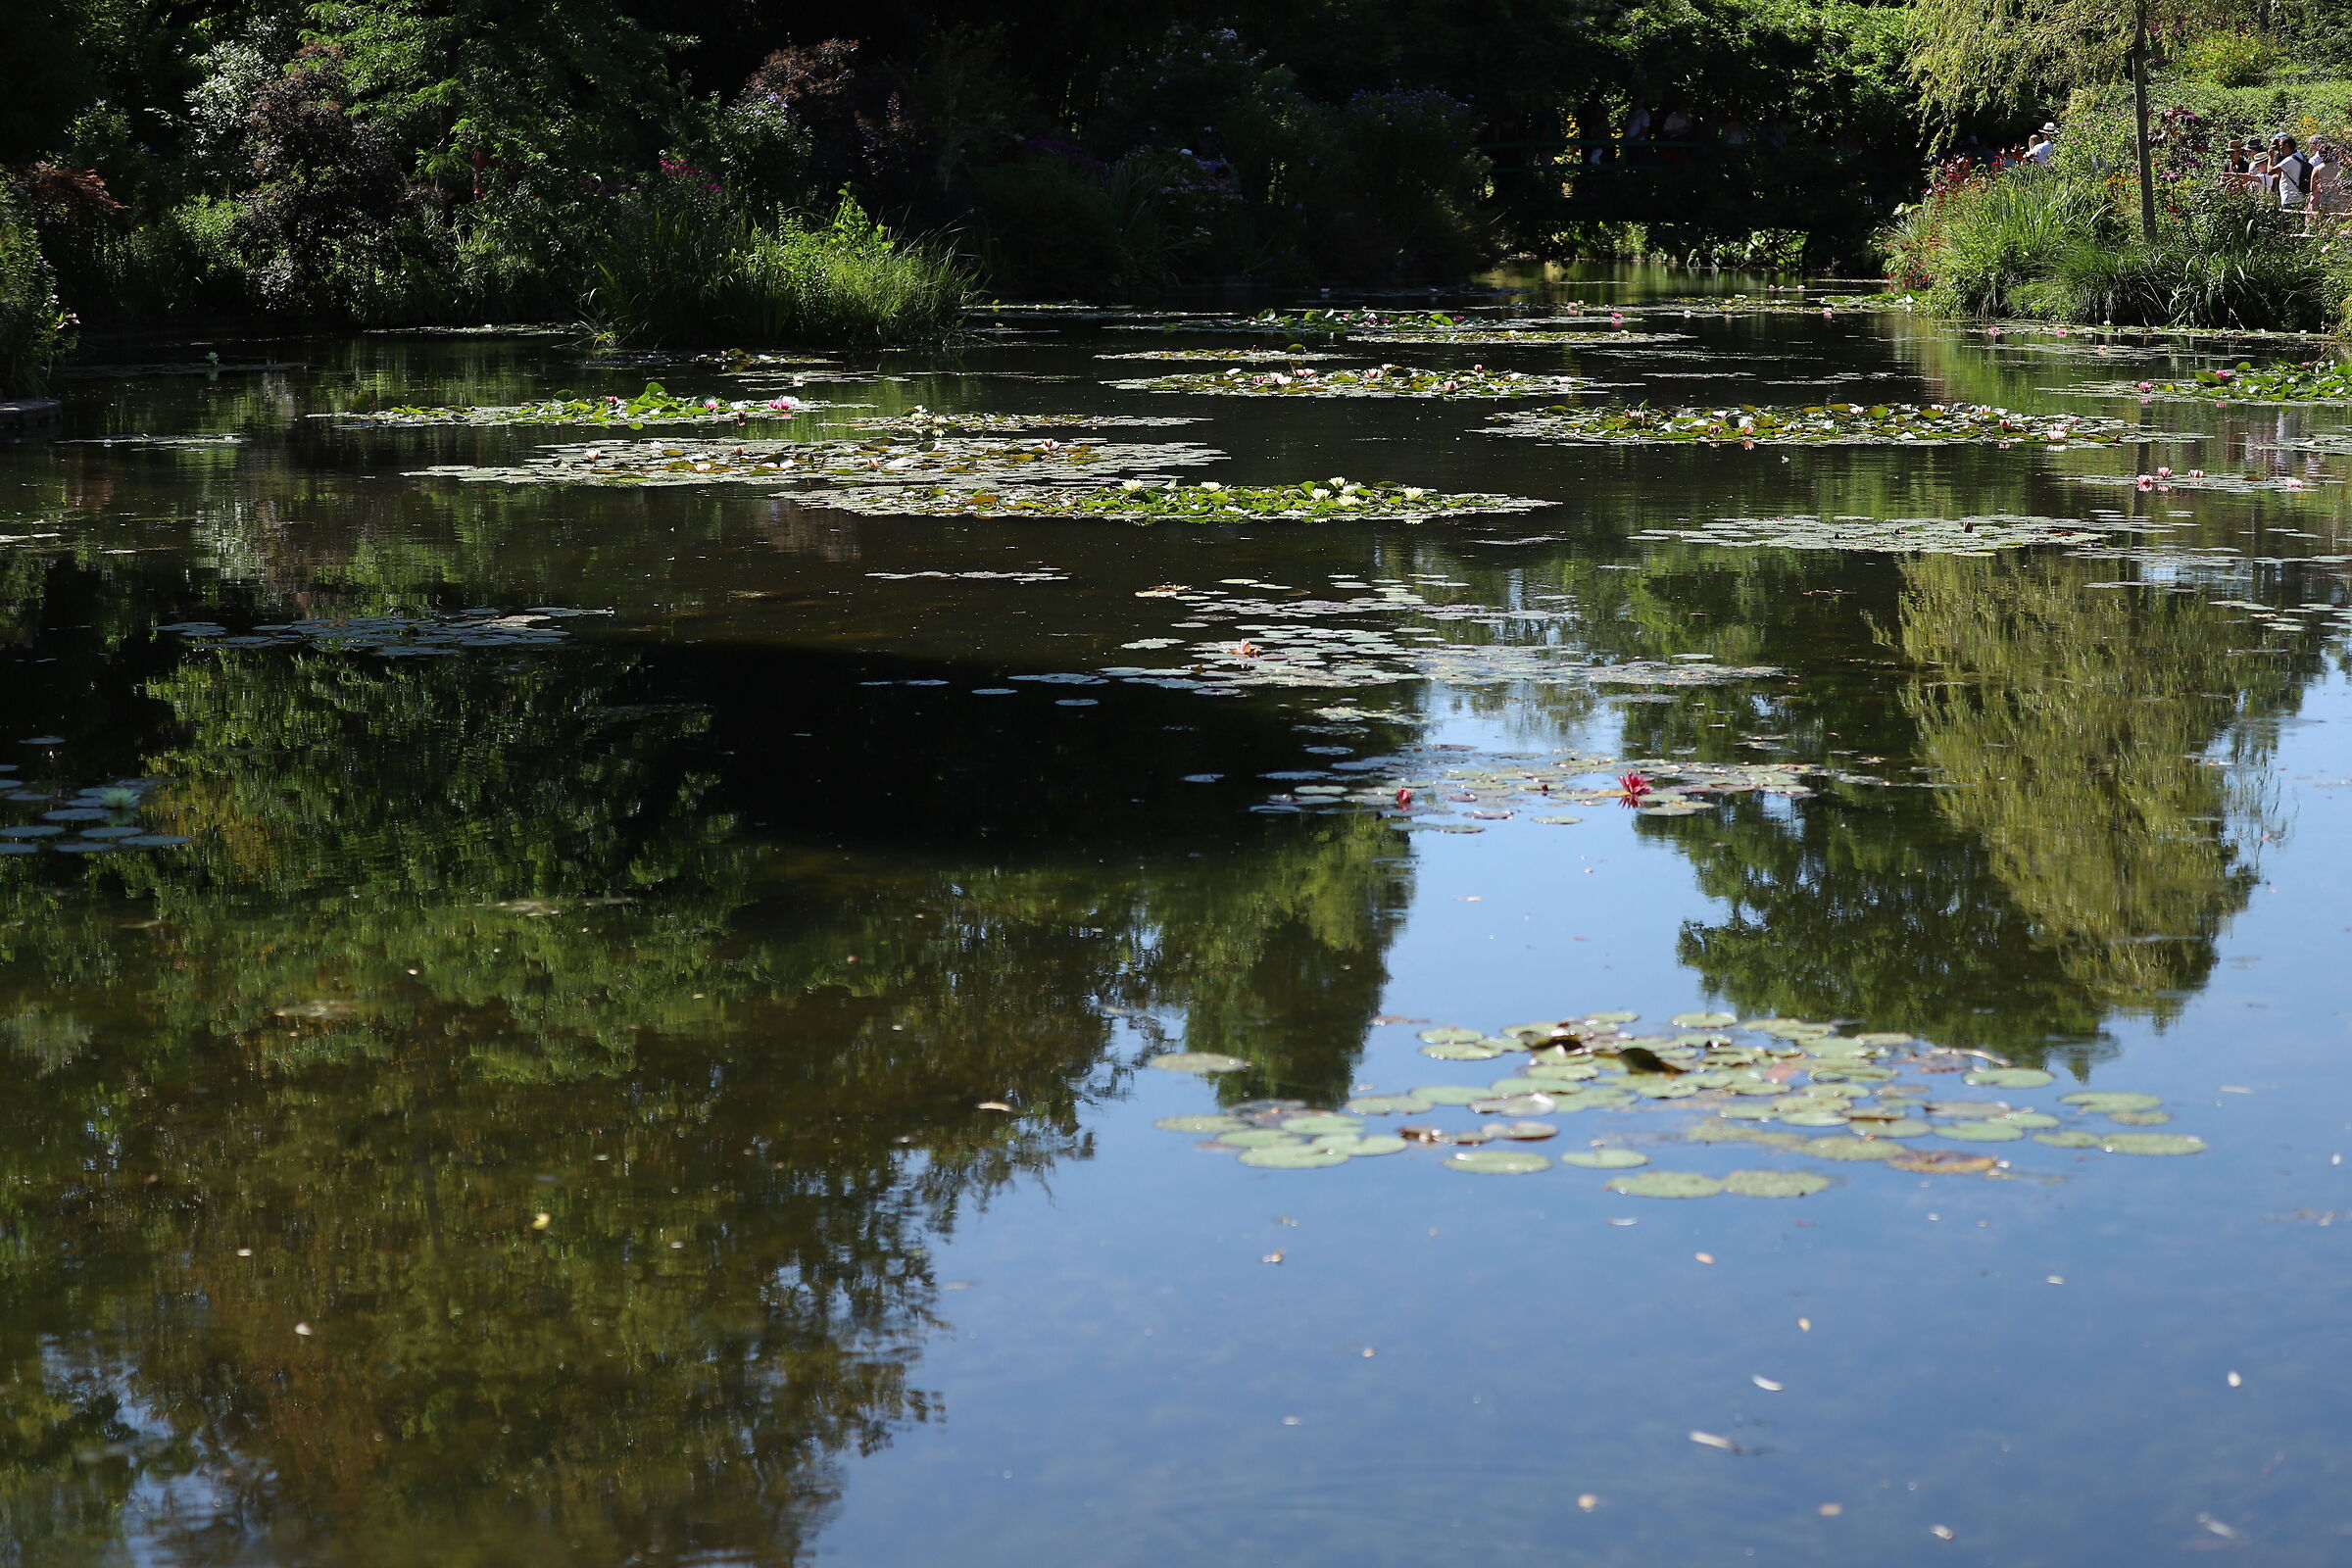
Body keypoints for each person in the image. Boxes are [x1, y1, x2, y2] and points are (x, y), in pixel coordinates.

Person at [2275, 133, 2313, 213]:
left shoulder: (2289, 160)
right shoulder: (2300, 155)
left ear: (2287, 146)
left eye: (2281, 146)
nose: (2279, 148)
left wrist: (2270, 156)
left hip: (2290, 199)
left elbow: (2270, 171)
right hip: (2300, 197)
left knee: (2290, 224)